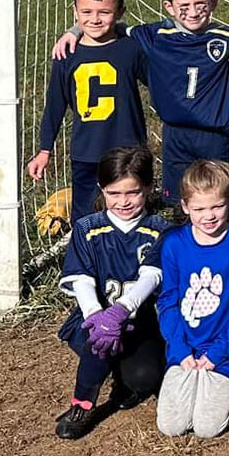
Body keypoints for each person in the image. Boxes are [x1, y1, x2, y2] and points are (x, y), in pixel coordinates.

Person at [54, 0, 229, 207]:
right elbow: (110, 24)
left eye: (200, 4)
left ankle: (221, 235)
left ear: (214, 3)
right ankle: (182, 234)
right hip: (174, 132)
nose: (192, 12)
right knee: (176, 198)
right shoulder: (155, 34)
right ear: (169, 7)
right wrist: (74, 31)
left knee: (217, 191)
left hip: (214, 133)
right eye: (184, 6)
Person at [54, 146, 170, 440]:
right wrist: (97, 315)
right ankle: (81, 404)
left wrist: (121, 311)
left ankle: (124, 379)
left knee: (145, 379)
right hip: (93, 320)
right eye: (113, 193)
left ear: (148, 187)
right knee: (99, 341)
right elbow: (80, 278)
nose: (123, 201)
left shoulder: (161, 230)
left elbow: (152, 274)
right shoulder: (87, 228)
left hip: (139, 323)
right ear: (101, 190)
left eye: (132, 192)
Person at [28, 0, 148, 227]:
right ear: (75, 12)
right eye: (87, 12)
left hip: (128, 149)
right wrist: (44, 149)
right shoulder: (66, 53)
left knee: (128, 209)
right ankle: (83, 259)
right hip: (86, 150)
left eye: (104, 12)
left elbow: (160, 84)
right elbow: (55, 105)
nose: (94, 19)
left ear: (120, 12)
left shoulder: (131, 48)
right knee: (85, 215)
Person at [155, 160, 229, 439]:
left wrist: (219, 351)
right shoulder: (175, 244)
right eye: (200, 208)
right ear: (185, 206)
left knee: (207, 428)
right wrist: (179, 348)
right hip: (186, 346)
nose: (209, 215)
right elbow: (167, 302)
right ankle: (199, 382)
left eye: (216, 206)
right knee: (171, 425)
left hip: (227, 348)